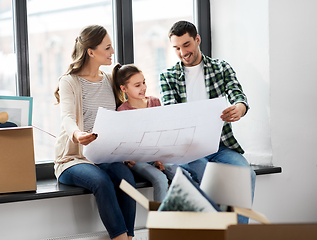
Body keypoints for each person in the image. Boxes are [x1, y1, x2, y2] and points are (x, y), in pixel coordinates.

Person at [159, 20, 256, 223]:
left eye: (186, 45)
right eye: (176, 47)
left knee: (246, 175)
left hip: (221, 146)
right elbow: (170, 113)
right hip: (189, 149)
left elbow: (237, 94)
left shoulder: (221, 68)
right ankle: (221, 230)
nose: (182, 52)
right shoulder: (167, 77)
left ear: (197, 39)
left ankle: (236, 234)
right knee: (210, 178)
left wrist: (240, 107)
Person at [54, 25, 136, 240]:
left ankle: (129, 237)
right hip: (73, 159)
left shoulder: (110, 80)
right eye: (107, 47)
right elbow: (68, 118)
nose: (112, 52)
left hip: (104, 155)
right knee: (101, 181)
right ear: (91, 52)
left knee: (126, 178)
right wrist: (78, 135)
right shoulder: (69, 81)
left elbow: (120, 119)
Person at [113, 63, 180, 202]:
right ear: (124, 88)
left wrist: (159, 158)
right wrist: (126, 158)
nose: (143, 87)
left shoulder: (154, 102)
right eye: (137, 85)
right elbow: (122, 144)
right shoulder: (122, 112)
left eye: (144, 82)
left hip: (158, 155)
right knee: (160, 179)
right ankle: (159, 223)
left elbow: (162, 132)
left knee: (181, 174)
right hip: (138, 161)